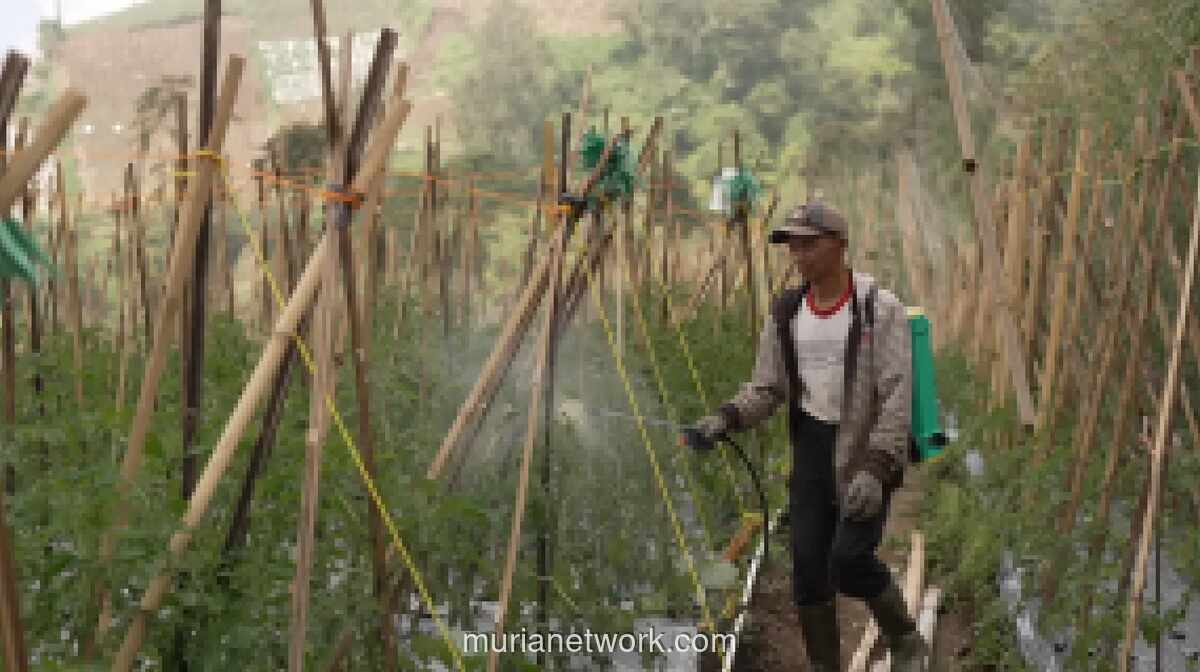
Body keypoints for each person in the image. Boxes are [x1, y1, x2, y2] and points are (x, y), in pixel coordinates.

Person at [682, 202, 928, 671]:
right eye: (792, 244)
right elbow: (767, 387)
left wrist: (877, 471)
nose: (798, 254)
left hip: (866, 447)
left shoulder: (879, 309)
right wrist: (725, 419)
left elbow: (898, 395)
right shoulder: (788, 311)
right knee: (808, 570)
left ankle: (905, 638)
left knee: (850, 560)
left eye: (808, 243)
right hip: (813, 445)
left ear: (839, 244)